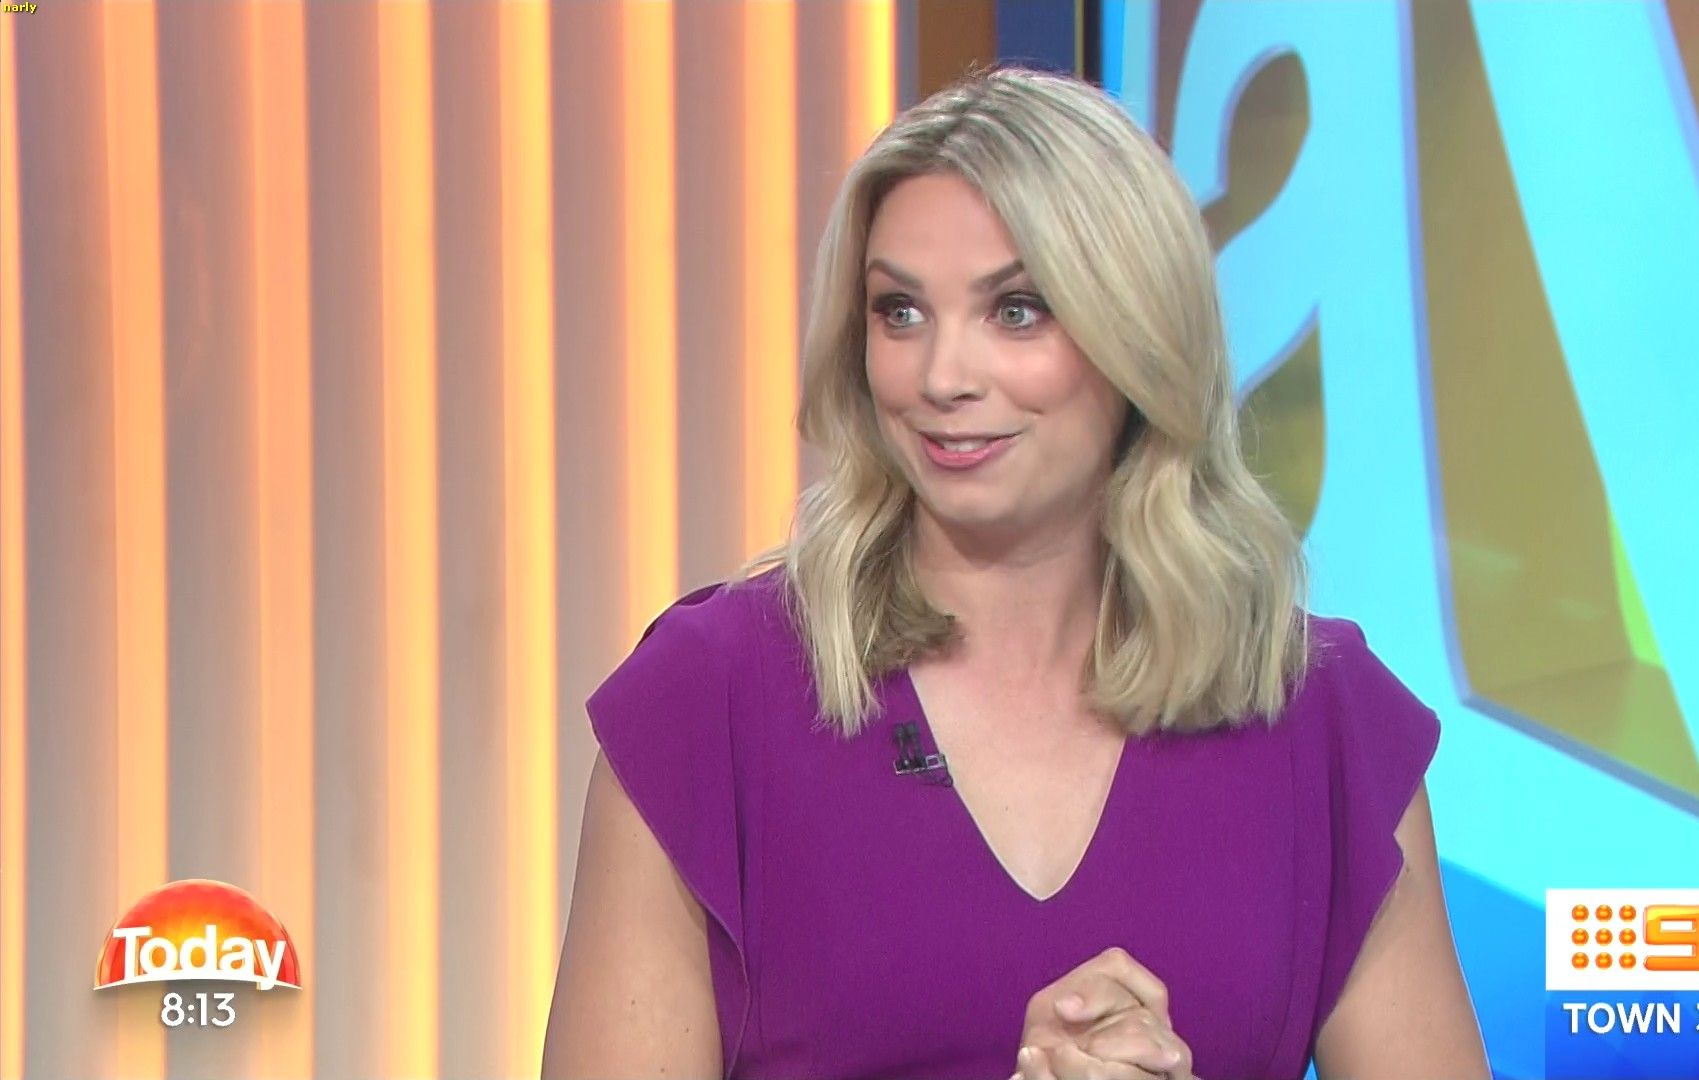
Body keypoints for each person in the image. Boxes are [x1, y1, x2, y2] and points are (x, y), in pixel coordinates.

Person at [542, 64, 1487, 1080]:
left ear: (1137, 336)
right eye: (900, 312)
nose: (943, 377)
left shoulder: (1321, 722)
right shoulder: (708, 704)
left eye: (1017, 310)